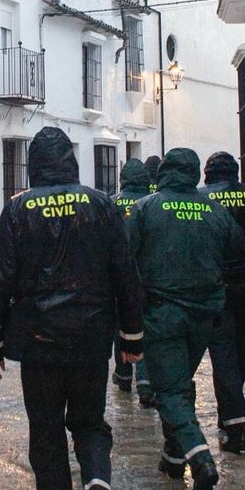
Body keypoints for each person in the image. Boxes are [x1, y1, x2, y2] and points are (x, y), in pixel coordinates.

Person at [0, 127, 143, 490]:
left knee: (47, 434)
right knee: (90, 424)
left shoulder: (17, 211)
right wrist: (132, 337)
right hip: (91, 340)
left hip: (39, 344)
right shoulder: (102, 206)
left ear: (34, 164)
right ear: (71, 161)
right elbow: (125, 274)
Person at [127, 148, 245, 490]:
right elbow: (240, 255)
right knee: (179, 384)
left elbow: (126, 260)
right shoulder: (215, 211)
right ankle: (171, 457)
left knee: (169, 390)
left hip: (163, 314)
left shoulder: (147, 209)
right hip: (205, 314)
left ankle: (199, 457)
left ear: (166, 171)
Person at [201, 150, 245, 454]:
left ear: (208, 173)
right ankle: (232, 410)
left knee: (223, 355)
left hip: (218, 287)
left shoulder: (202, 199)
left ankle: (235, 420)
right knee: (239, 352)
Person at [110, 159, 154, 405]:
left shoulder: (112, 202)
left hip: (118, 278)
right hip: (147, 277)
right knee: (143, 327)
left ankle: (124, 374)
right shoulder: (154, 202)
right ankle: (145, 383)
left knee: (121, 327)